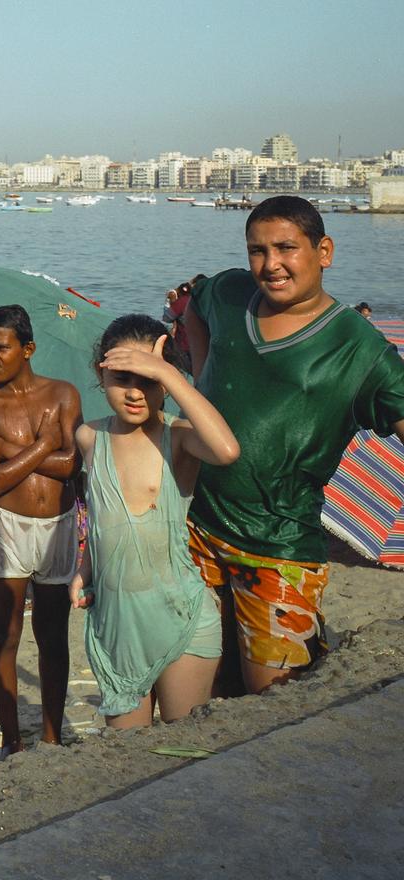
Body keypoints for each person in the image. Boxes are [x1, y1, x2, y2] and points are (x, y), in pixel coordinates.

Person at [181, 196, 404, 695]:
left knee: (274, 695)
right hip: (197, 527)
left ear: (324, 251)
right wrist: (201, 381)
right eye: (257, 250)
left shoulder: (359, 348)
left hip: (280, 547)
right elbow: (194, 306)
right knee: (203, 686)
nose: (270, 265)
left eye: (286, 248)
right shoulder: (230, 291)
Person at [70, 316, 239, 728]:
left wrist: (169, 373)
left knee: (182, 746)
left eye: (147, 380)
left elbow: (227, 450)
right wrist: (85, 569)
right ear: (100, 373)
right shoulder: (90, 438)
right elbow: (102, 516)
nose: (134, 391)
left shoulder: (178, 438)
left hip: (181, 619)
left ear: (165, 383)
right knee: (127, 753)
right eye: (122, 377)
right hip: (117, 625)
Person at [0, 304, 82, 754]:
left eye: (1, 347)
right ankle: (12, 742)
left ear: (27, 348)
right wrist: (43, 444)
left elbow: (73, 463)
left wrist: (19, 452)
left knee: (53, 635)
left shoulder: (63, 395)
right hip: (8, 526)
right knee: (6, 631)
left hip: (59, 524)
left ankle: (52, 735)